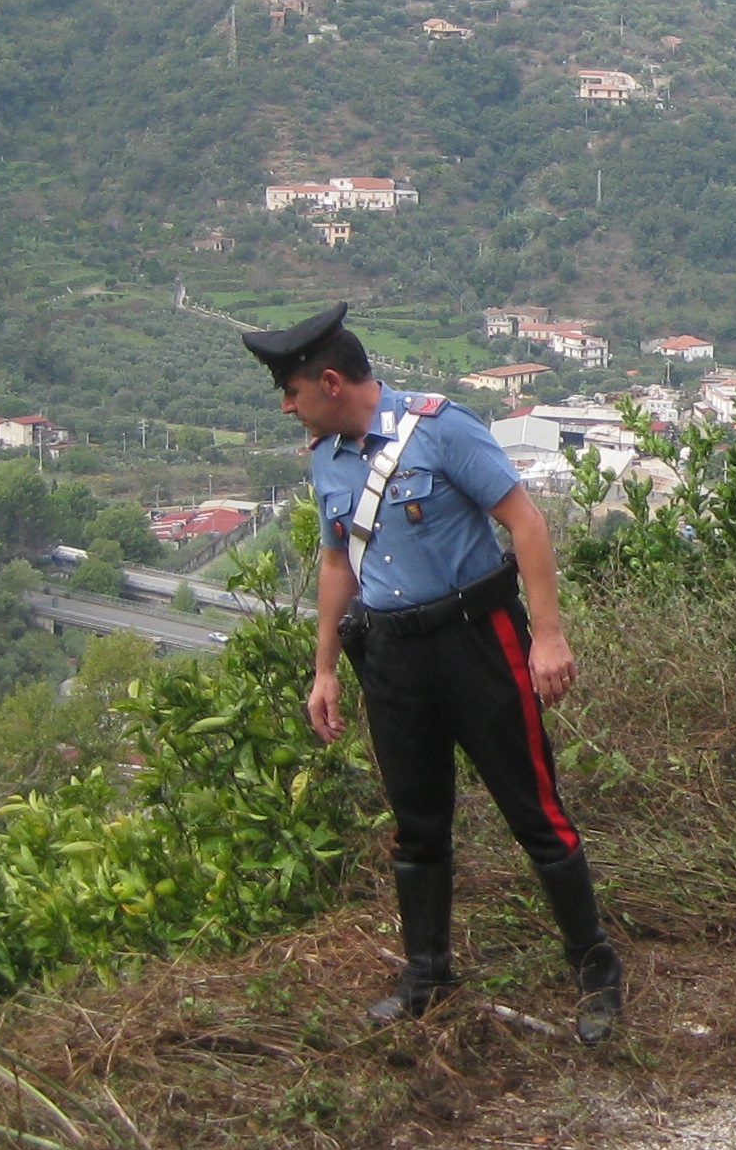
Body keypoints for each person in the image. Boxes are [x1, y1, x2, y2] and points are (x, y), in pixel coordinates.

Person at [242, 304, 624, 1044]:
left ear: (328, 381)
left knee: (533, 813)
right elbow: (334, 565)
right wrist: (324, 669)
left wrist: (547, 636)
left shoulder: (441, 428)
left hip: (479, 643)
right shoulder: (326, 460)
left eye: (291, 391)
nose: (287, 407)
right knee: (417, 827)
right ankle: (426, 974)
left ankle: (595, 967)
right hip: (392, 660)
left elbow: (526, 523)